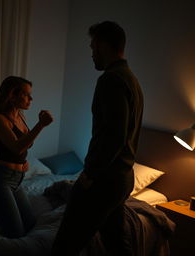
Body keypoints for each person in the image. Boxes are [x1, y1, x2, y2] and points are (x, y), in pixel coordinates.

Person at [51, 21, 144, 255]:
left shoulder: (111, 79)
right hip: (121, 178)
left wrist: (90, 173)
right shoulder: (132, 80)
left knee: (65, 244)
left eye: (93, 47)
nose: (92, 54)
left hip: (104, 180)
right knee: (116, 243)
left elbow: (114, 136)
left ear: (103, 46)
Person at [0, 76, 53, 238]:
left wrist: (22, 162)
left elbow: (24, 146)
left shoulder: (20, 116)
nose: (31, 98)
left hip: (17, 179)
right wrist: (41, 124)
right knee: (15, 232)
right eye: (26, 94)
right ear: (12, 95)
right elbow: (17, 147)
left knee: (30, 224)